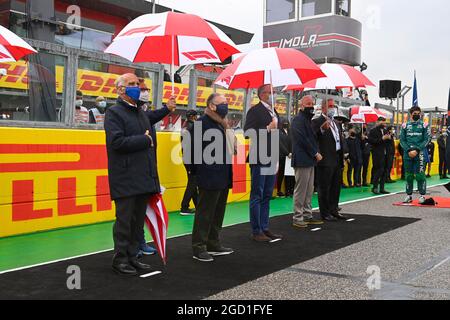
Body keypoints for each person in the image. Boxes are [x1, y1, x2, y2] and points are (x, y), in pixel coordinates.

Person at [104, 73, 176, 276]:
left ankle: (133, 256)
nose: (138, 87)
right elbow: (116, 143)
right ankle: (120, 259)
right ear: (120, 89)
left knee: (137, 223)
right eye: (132, 84)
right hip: (125, 178)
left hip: (144, 177)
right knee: (124, 222)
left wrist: (167, 109)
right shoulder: (114, 113)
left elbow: (150, 117)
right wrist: (144, 140)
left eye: (138, 84)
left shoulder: (139, 112)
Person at [189, 93, 234, 262]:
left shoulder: (222, 125)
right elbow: (192, 152)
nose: (226, 106)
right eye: (222, 103)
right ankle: (198, 246)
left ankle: (213, 242)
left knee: (218, 211)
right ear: (211, 105)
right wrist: (198, 173)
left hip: (223, 174)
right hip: (208, 175)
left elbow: (232, 148)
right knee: (205, 213)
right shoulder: (201, 124)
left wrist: (227, 128)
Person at [244, 84, 282, 242]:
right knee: (257, 194)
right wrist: (267, 127)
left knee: (267, 195)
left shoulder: (275, 112)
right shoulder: (255, 110)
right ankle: (256, 230)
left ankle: (265, 227)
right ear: (260, 95)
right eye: (267, 92)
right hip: (259, 157)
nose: (270, 95)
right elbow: (247, 132)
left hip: (272, 156)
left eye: (271, 92)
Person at [311, 99, 347, 221]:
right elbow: (312, 137)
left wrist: (343, 157)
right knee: (324, 187)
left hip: (337, 157)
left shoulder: (336, 123)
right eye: (330, 106)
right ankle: (325, 212)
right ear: (323, 108)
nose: (332, 108)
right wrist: (321, 129)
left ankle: (334, 209)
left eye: (334, 106)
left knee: (336, 186)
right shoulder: (316, 121)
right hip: (325, 159)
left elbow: (339, 140)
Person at [291, 95, 323, 228]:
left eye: (312, 103)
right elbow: (302, 139)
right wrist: (315, 153)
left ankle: (307, 214)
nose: (311, 106)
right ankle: (298, 217)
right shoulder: (298, 120)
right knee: (301, 190)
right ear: (302, 105)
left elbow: (312, 138)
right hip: (303, 159)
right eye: (308, 103)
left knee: (309, 190)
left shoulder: (308, 120)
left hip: (309, 160)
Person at [400, 106, 430, 204]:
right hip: (407, 153)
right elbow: (402, 140)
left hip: (420, 153)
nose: (417, 115)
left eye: (418, 113)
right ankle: (409, 195)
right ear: (411, 114)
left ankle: (422, 196)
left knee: (420, 176)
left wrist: (417, 150)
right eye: (415, 114)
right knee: (408, 176)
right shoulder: (404, 126)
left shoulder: (425, 125)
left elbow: (427, 139)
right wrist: (409, 150)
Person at [180, 109, 199, 215]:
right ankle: (184, 206)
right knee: (192, 183)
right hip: (192, 159)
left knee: (193, 182)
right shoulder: (193, 127)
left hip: (186, 157)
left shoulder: (185, 126)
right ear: (193, 117)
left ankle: (198, 205)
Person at [368, 117, 391, 195]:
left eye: (385, 123)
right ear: (377, 122)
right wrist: (382, 138)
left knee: (385, 170)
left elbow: (388, 142)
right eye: (382, 123)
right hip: (377, 154)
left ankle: (382, 188)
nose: (384, 124)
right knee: (379, 170)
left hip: (385, 153)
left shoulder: (385, 131)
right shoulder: (373, 131)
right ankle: (374, 187)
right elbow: (372, 141)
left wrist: (389, 138)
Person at [277, 118, 294, 197]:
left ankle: (289, 190)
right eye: (284, 122)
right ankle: (279, 190)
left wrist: (291, 153)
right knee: (280, 173)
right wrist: (287, 153)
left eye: (287, 122)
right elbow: (279, 144)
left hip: (290, 156)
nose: (285, 124)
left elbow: (292, 142)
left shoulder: (290, 131)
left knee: (289, 174)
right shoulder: (278, 132)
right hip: (281, 156)